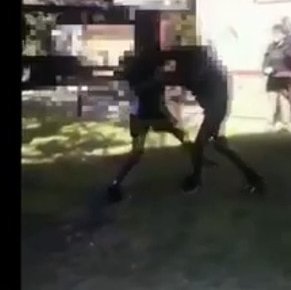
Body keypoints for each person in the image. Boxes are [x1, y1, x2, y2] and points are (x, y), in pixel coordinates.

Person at [106, 51, 215, 203]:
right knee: (183, 137)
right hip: (149, 116)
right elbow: (157, 101)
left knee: (137, 152)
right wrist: (170, 117)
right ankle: (198, 165)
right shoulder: (154, 79)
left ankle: (116, 184)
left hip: (137, 117)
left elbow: (146, 95)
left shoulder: (140, 78)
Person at [164, 45, 265, 194]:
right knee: (220, 146)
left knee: (200, 146)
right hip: (216, 110)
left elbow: (187, 80)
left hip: (215, 111)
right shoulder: (209, 70)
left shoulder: (204, 71)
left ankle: (196, 181)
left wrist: (163, 77)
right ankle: (253, 177)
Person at [262, 20, 291, 131]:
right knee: (271, 102)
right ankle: (269, 124)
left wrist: (275, 69)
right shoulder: (270, 47)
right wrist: (265, 69)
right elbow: (266, 61)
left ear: (283, 35)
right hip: (272, 79)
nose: (275, 36)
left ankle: (285, 124)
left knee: (284, 102)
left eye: (277, 34)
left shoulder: (288, 48)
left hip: (285, 79)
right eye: (273, 34)